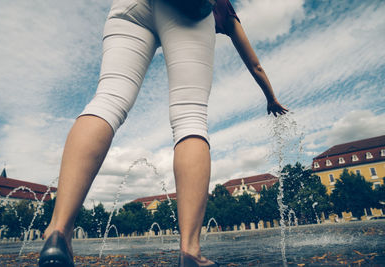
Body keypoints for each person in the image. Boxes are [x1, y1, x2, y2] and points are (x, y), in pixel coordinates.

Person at [38, 0, 287, 266]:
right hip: (189, 10)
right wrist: (271, 98)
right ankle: (190, 251)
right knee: (190, 117)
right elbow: (255, 64)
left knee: (108, 99)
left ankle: (58, 232)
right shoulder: (224, 8)